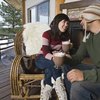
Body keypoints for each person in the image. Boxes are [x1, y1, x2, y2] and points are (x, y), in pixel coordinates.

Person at [63, 3, 100, 100]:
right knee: (65, 65)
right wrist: (64, 58)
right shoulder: (88, 36)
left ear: (91, 18)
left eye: (83, 18)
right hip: (96, 71)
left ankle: (78, 92)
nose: (81, 22)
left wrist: (84, 75)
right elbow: (78, 57)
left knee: (78, 87)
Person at [35, 13, 70, 100]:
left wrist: (65, 54)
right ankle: (60, 88)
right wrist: (56, 59)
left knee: (50, 68)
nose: (66, 25)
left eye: (67, 23)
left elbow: (63, 52)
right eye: (64, 22)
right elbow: (45, 51)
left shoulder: (65, 36)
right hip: (41, 59)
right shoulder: (47, 34)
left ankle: (46, 89)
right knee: (56, 64)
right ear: (57, 22)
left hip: (53, 61)